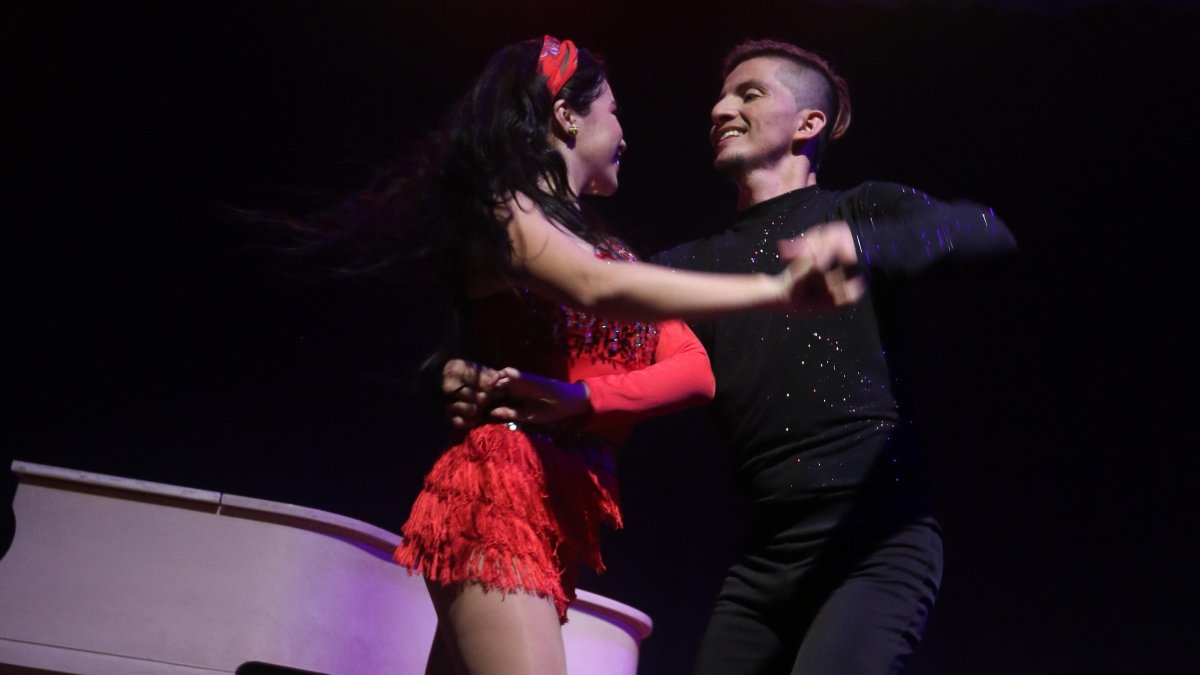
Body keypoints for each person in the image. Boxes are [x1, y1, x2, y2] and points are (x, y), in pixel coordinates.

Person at [444, 39, 1016, 674]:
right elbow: (588, 328)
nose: (720, 108)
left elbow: (986, 231)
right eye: (720, 96)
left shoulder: (854, 209)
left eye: (749, 93)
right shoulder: (685, 268)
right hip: (767, 559)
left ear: (809, 123)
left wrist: (860, 243)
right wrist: (459, 370)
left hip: (875, 535)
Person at [311, 36, 864, 675]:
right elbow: (593, 289)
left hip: (556, 507)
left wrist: (585, 399)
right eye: (614, 111)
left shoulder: (610, 250)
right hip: (501, 493)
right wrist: (773, 290)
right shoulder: (505, 211)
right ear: (567, 116)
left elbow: (694, 371)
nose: (626, 132)